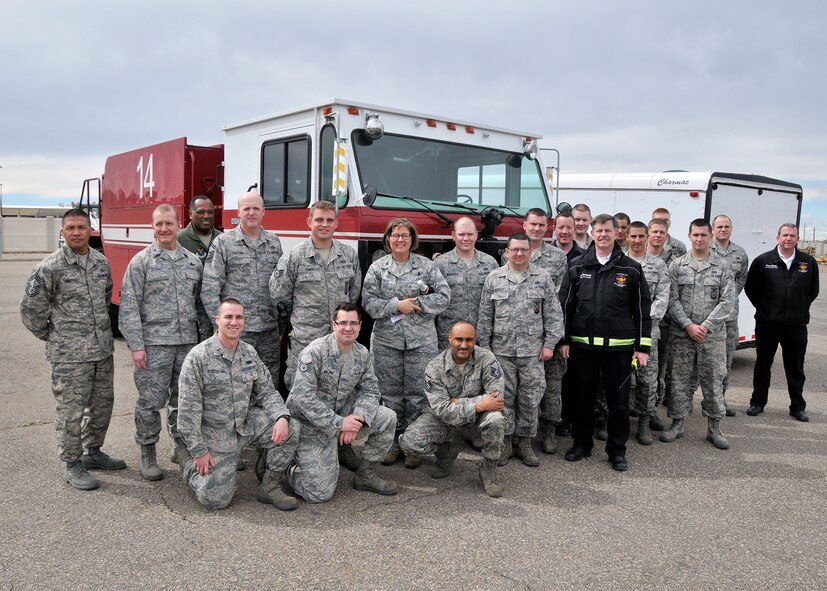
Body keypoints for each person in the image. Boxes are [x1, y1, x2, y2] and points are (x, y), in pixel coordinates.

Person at [20, 209, 126, 490]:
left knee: (102, 405)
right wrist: (56, 337)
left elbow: (105, 299)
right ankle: (72, 463)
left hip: (101, 351)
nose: (77, 232)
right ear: (62, 232)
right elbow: (31, 312)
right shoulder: (49, 267)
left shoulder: (101, 263)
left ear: (91, 230)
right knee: (71, 411)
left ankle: (93, 452)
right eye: (71, 228)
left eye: (82, 227)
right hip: (70, 356)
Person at [176, 298, 300, 510]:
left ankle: (269, 486)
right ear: (217, 320)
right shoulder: (198, 357)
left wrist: (281, 416)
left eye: (239, 317)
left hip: (245, 424)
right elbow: (187, 413)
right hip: (215, 433)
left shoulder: (249, 353)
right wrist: (198, 451)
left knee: (292, 428)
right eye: (228, 317)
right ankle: (188, 463)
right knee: (216, 500)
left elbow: (267, 392)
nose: (234, 322)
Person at [119, 204, 209, 481]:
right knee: (150, 402)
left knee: (184, 401)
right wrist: (136, 345)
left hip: (187, 345)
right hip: (154, 346)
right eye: (159, 224)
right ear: (153, 227)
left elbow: (201, 305)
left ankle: (180, 447)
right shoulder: (142, 262)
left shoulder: (193, 262)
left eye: (169, 223)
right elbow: (129, 305)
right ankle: (148, 453)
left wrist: (204, 343)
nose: (164, 229)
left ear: (178, 224)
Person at [560, 214, 651, 471]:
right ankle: (582, 444)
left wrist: (641, 348)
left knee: (618, 402)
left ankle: (617, 451)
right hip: (583, 347)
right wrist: (563, 341)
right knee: (582, 398)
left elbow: (643, 310)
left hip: (619, 349)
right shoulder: (578, 266)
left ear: (616, 234)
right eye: (598, 230)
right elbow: (566, 306)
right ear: (592, 232)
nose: (603, 235)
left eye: (607, 231)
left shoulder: (631, 268)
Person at [285, 303, 398, 502]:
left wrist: (357, 418)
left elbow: (370, 390)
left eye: (353, 323)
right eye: (343, 323)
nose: (348, 328)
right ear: (333, 325)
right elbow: (303, 399)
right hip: (309, 424)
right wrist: (339, 423)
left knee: (387, 417)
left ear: (360, 326)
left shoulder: (361, 353)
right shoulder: (315, 352)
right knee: (319, 494)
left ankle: (365, 475)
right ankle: (289, 464)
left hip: (341, 415)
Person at [361, 218, 450, 468]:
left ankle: (412, 444)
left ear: (413, 240)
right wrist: (395, 306)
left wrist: (417, 305)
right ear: (388, 239)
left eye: (405, 236)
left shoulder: (426, 266)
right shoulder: (378, 268)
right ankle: (392, 443)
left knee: (417, 395)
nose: (400, 239)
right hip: (386, 341)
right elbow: (368, 302)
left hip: (421, 341)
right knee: (389, 395)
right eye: (395, 235)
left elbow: (444, 296)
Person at [477, 233, 563, 467]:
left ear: (530, 252)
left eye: (524, 249)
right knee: (504, 398)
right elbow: (485, 317)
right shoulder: (494, 278)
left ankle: (524, 443)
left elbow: (554, 315)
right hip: (501, 353)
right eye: (514, 249)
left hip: (533, 353)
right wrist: (484, 350)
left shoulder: (542, 277)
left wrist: (549, 345)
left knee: (530, 399)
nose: (519, 253)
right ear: (506, 252)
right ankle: (505, 442)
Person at [399, 321, 507, 497]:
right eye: (459, 339)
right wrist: (478, 404)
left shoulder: (487, 359)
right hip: (445, 419)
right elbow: (442, 410)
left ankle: (489, 470)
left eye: (469, 340)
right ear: (450, 338)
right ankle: (446, 451)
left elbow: (496, 397)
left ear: (475, 340)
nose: (464, 345)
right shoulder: (435, 367)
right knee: (408, 442)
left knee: (495, 419)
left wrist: (458, 402)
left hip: (477, 419)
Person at [269, 200, 361, 389]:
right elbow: (279, 295)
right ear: (309, 222)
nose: (324, 225)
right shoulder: (294, 257)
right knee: (300, 387)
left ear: (336, 223)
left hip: (339, 337)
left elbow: (353, 292)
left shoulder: (349, 255)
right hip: (306, 337)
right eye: (319, 220)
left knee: (336, 386)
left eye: (329, 220)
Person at [660, 219, 734, 449]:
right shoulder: (677, 266)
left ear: (711, 236)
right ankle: (677, 424)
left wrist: (706, 325)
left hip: (712, 338)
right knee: (679, 381)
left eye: (704, 235)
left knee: (713, 382)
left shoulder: (723, 267)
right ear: (689, 236)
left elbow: (728, 301)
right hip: (682, 336)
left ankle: (714, 429)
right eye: (696, 235)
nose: (700, 239)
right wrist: (687, 325)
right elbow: (670, 299)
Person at [202, 191, 283, 387]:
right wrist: (221, 325)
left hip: (268, 331)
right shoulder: (223, 243)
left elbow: (281, 285)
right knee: (233, 385)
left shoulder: (273, 243)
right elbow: (210, 287)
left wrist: (282, 320)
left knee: (268, 384)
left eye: (256, 208)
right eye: (247, 208)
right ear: (239, 212)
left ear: (263, 211)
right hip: (236, 330)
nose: (251, 212)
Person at [745, 223, 819, 422]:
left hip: (796, 325)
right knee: (763, 364)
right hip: (767, 323)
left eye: (792, 235)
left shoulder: (808, 262)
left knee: (795, 367)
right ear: (778, 237)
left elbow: (813, 291)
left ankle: (797, 407)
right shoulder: (763, 261)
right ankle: (757, 402)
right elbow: (751, 288)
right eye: (785, 235)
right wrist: (765, 308)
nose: (788, 238)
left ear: (797, 239)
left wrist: (799, 308)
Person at [626, 221, 670, 445]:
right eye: (633, 236)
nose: (636, 240)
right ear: (627, 237)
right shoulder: (619, 262)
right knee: (619, 377)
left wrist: (643, 319)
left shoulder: (658, 265)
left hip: (647, 332)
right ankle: (613, 418)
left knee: (647, 379)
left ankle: (644, 421)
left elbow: (662, 297)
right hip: (622, 331)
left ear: (646, 238)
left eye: (640, 236)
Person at [434, 217, 499, 349]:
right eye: (461, 234)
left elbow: (497, 301)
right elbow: (433, 303)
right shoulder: (439, 264)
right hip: (449, 337)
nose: (465, 238)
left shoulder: (490, 263)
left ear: (476, 235)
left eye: (470, 234)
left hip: (481, 337)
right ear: (453, 235)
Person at [549, 211, 585, 437]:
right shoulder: (542, 253)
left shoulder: (585, 256)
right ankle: (549, 420)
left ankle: (567, 419)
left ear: (575, 229)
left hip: (574, 324)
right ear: (554, 228)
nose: (564, 231)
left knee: (572, 376)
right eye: (560, 227)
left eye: (568, 227)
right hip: (547, 326)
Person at [710, 214, 749, 416]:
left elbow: (741, 280)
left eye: (727, 226)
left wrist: (728, 299)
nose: (723, 229)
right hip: (706, 316)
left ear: (731, 229)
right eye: (720, 226)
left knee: (726, 359)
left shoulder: (740, 254)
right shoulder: (705, 249)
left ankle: (721, 399)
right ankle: (688, 400)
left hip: (729, 317)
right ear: (713, 229)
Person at [647, 217, 679, 417]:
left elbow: (667, 294)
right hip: (634, 326)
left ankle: (652, 411)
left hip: (663, 324)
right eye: (654, 232)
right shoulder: (629, 258)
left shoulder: (674, 258)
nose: (658, 235)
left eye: (662, 232)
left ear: (667, 236)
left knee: (658, 370)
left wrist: (649, 318)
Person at [177, 195, 221, 263]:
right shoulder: (179, 239)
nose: (206, 216)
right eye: (201, 212)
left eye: (210, 212)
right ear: (190, 214)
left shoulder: (222, 239)